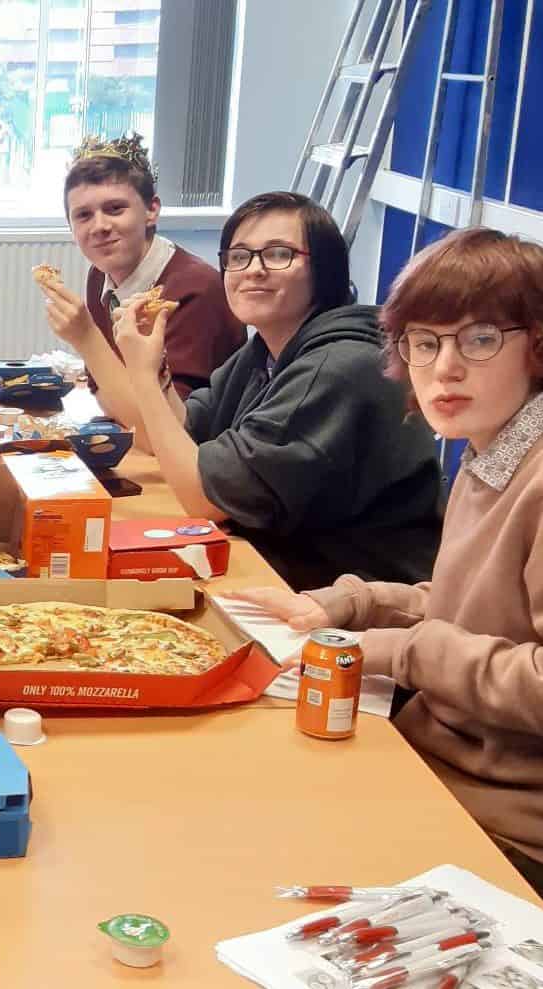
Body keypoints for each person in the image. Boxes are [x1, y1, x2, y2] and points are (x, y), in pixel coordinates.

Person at [234, 228, 543, 896]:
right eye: (424, 342)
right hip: (434, 759)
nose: (444, 367)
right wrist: (348, 605)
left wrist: (403, 651)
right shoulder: (490, 445)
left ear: (537, 346)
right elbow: (472, 606)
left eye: (481, 338)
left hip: (506, 824)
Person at [60, 191, 442, 590]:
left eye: (278, 254)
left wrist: (139, 375)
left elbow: (202, 498)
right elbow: (185, 428)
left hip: (351, 603)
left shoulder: (338, 367)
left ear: (325, 270)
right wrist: (155, 372)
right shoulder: (265, 349)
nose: (252, 271)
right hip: (282, 567)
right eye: (239, 257)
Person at [41, 134, 244, 399]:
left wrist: (86, 337)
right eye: (83, 215)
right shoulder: (100, 276)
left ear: (151, 210)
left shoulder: (196, 291)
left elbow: (174, 425)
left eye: (115, 209)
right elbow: (100, 388)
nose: (99, 227)